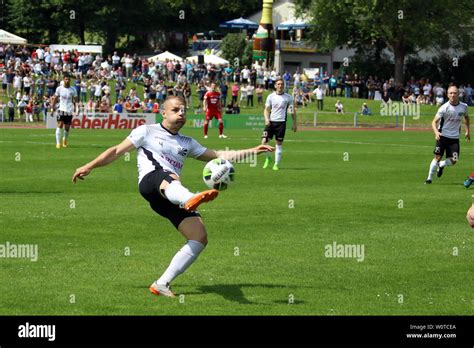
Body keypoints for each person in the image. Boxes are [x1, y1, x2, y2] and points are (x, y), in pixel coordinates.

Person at [72, 96, 273, 297]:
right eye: (176, 110)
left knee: (199, 237)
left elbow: (219, 154)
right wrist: (89, 166)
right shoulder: (146, 131)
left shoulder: (187, 142)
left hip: (167, 196)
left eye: (183, 111)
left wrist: (253, 151)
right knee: (169, 176)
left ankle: (162, 283)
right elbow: (116, 151)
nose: (181, 114)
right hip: (152, 182)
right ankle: (189, 198)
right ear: (163, 112)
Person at [425, 86, 470, 184]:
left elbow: (466, 118)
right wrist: (436, 132)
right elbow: (434, 122)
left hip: (454, 139)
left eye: (455, 93)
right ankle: (429, 179)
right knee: (437, 157)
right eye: (451, 93)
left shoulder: (464, 106)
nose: (453, 95)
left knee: (454, 159)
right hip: (442, 137)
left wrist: (467, 131)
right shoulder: (444, 107)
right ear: (447, 95)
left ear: (458, 94)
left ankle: (441, 165)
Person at [261, 79, 297, 171]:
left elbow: (292, 111)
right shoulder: (270, 96)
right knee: (263, 142)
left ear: (284, 85)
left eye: (282, 84)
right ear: (275, 86)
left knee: (279, 144)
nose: (280, 86)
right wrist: (266, 119)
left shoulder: (288, 97)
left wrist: (294, 123)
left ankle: (276, 164)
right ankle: (268, 158)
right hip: (271, 122)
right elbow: (266, 109)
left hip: (281, 123)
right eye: (278, 84)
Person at [51, 75, 78, 149]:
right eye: (66, 79)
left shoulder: (73, 89)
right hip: (61, 109)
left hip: (69, 110)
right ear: (63, 80)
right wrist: (52, 108)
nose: (67, 81)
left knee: (67, 128)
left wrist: (76, 108)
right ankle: (58, 143)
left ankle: (65, 140)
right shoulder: (59, 88)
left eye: (68, 79)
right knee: (60, 125)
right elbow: (55, 99)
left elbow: (76, 100)